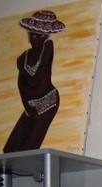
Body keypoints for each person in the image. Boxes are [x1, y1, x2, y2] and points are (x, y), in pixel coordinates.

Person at [4, 10, 65, 153]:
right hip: (30, 106)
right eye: (33, 34)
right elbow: (22, 84)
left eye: (41, 35)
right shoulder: (24, 57)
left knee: (29, 148)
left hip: (47, 103)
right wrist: (28, 107)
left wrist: (22, 66)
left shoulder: (47, 47)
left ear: (46, 36)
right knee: (11, 147)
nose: (35, 38)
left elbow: (34, 79)